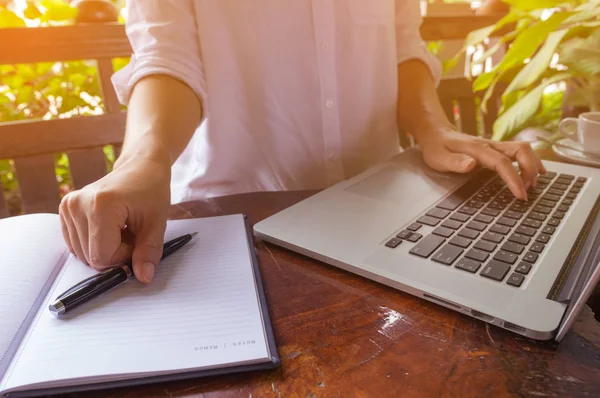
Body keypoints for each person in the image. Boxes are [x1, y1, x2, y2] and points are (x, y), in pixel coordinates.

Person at [59, 0, 545, 284]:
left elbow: (402, 46)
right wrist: (143, 161)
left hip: (383, 213)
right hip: (236, 223)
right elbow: (168, 59)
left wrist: (435, 129)